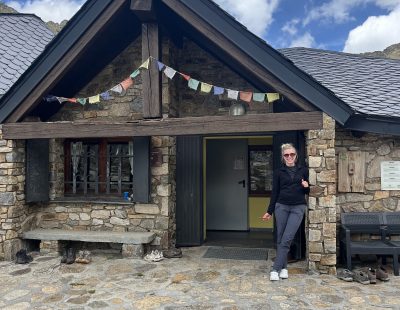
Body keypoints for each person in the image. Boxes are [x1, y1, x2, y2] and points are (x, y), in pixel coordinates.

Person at [262, 143, 309, 281]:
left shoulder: (303, 170)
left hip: (297, 208)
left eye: (292, 154)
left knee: (287, 239)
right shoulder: (278, 172)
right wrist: (269, 211)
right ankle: (284, 268)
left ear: (296, 156)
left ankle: (275, 269)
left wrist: (307, 187)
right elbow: (274, 192)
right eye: (286, 155)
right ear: (283, 157)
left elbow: (307, 190)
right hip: (281, 207)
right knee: (280, 237)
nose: (289, 157)